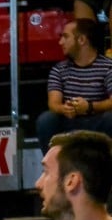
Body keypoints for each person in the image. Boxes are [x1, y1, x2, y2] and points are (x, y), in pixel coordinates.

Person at [35, 19, 112, 157]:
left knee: (110, 118)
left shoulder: (108, 66)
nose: (60, 42)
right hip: (69, 122)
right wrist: (64, 109)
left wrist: (89, 107)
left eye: (65, 37)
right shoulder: (59, 69)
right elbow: (53, 104)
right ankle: (54, 165)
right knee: (46, 119)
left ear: (82, 40)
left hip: (97, 122)